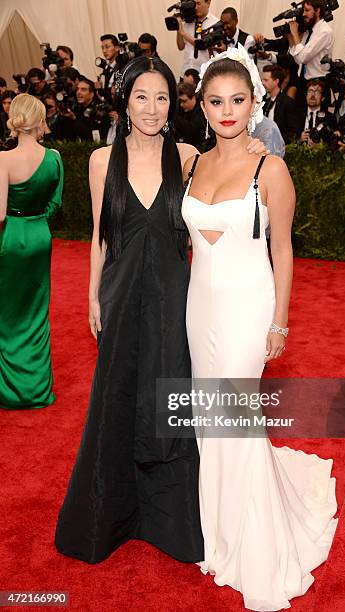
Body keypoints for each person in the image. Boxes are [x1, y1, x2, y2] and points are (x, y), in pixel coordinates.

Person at [54, 54, 267, 566]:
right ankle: (113, 512)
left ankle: (170, 518)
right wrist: (90, 297)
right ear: (125, 101)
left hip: (176, 298)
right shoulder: (101, 162)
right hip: (120, 295)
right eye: (142, 96)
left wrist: (255, 143)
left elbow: (231, 165)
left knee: (169, 395)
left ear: (175, 104)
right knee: (118, 393)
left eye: (163, 97)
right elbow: (98, 238)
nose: (152, 108)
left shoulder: (189, 155)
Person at [182, 46, 338, 611]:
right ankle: (217, 529)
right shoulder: (190, 162)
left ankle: (251, 542)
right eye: (216, 101)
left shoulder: (269, 166)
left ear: (255, 103)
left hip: (250, 306)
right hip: (199, 308)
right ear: (201, 106)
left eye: (238, 100)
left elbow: (284, 249)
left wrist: (280, 322)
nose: (227, 111)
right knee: (208, 414)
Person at [0, 94, 64, 409]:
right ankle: (37, 389)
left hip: (11, 237)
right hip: (40, 236)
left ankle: (11, 390)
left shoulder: (3, 160)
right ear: (40, 120)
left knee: (9, 313)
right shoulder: (53, 158)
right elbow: (55, 203)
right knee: (36, 313)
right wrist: (37, 220)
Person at [287, 0, 334, 109]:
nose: (303, 14)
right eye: (303, 10)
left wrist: (295, 34)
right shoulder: (310, 32)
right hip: (304, 82)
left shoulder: (324, 32)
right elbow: (298, 58)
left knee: (317, 121)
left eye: (307, 10)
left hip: (319, 83)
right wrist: (291, 38)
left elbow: (303, 57)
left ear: (317, 11)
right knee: (301, 119)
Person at [176, 0, 219, 76]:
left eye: (198, 3)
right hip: (186, 72)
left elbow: (202, 44)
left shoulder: (215, 23)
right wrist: (178, 26)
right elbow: (180, 46)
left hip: (205, 74)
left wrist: (183, 33)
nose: (195, 7)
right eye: (193, 4)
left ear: (208, 3)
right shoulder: (187, 23)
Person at [261, 64, 298, 143]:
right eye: (262, 80)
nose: (262, 83)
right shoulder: (265, 102)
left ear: (276, 81)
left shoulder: (287, 103)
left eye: (266, 80)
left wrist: (277, 141)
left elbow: (293, 132)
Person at [299, 79, 336, 146]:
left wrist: (320, 145)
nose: (312, 95)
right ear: (306, 95)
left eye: (317, 92)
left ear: (323, 98)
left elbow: (332, 142)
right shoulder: (296, 114)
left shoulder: (330, 118)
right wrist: (299, 140)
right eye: (310, 91)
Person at [174, 82, 206, 148]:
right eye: (180, 101)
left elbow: (192, 129)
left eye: (185, 101)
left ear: (193, 98)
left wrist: (174, 117)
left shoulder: (202, 109)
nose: (181, 104)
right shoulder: (180, 107)